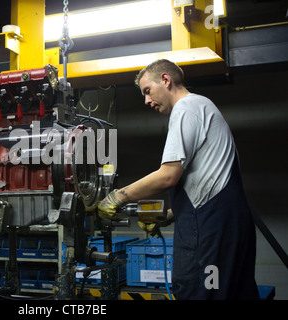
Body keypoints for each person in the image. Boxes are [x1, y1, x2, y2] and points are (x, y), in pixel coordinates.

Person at [97, 59, 259, 300]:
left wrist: (116, 197)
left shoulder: (186, 108)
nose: (146, 100)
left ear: (165, 79)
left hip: (210, 232)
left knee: (202, 292)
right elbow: (206, 178)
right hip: (229, 226)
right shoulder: (203, 106)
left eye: (147, 91)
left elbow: (168, 176)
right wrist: (170, 215)